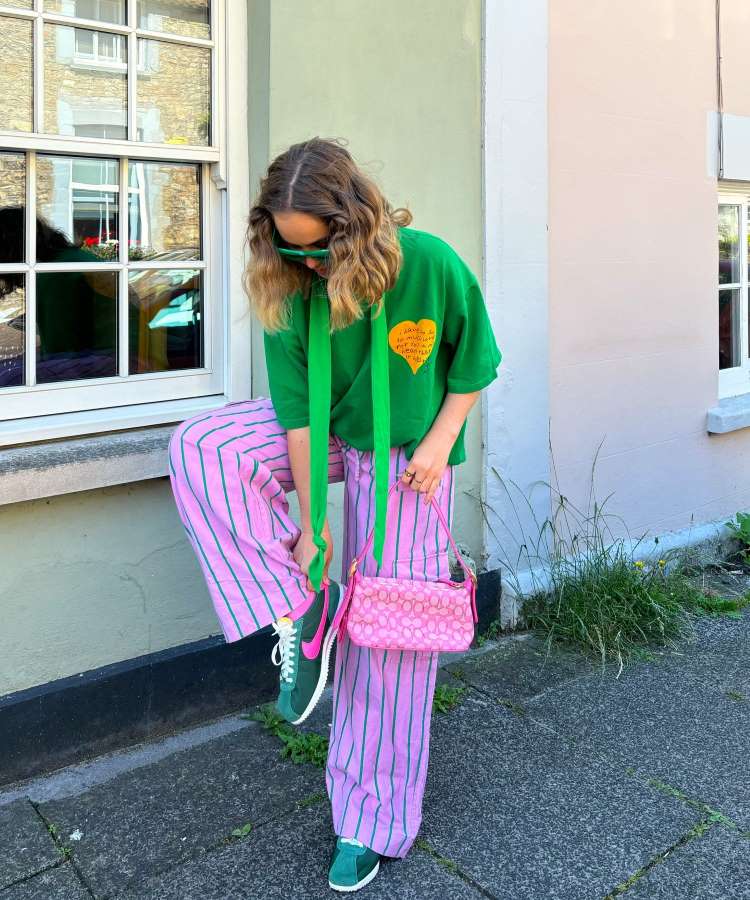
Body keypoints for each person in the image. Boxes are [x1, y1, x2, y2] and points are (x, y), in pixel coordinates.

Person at [167, 137, 502, 893]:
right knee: (203, 448)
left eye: (319, 253)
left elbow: (476, 358)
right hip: (325, 432)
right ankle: (298, 608)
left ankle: (369, 822)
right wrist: (312, 526)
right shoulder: (284, 281)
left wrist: (441, 442)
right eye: (293, 251)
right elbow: (293, 412)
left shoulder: (430, 263)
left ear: (354, 227)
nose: (308, 267)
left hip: (408, 451)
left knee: (389, 639)